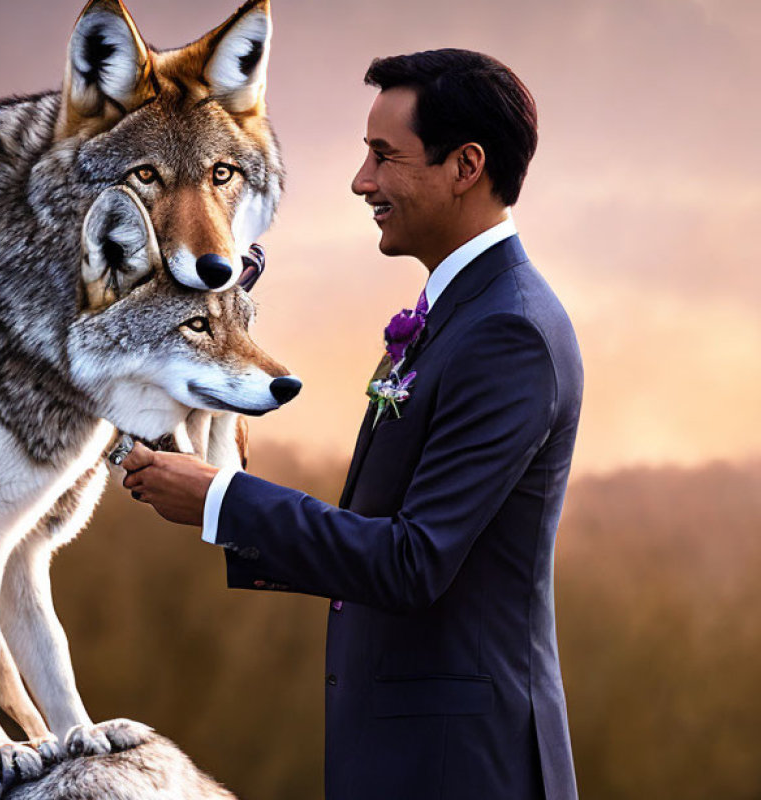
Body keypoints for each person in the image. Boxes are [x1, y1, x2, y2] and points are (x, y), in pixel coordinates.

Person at [122, 48, 582, 800]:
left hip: (463, 769)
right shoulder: (461, 316)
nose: (360, 180)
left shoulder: (511, 333)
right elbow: (382, 536)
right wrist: (214, 496)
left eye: (383, 156)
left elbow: (412, 561)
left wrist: (220, 501)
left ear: (465, 166)